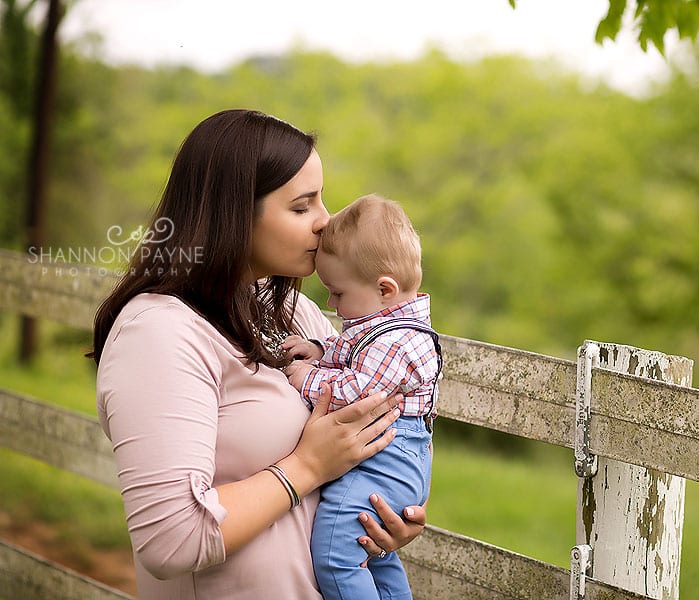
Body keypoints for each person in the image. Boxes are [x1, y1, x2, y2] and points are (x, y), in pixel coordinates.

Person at [90, 109, 428, 599]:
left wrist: (388, 513)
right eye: (301, 207)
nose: (325, 222)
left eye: (321, 200)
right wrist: (307, 467)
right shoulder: (158, 333)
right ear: (231, 213)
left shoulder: (294, 313)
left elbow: (386, 415)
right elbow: (170, 541)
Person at [281, 193, 440, 600]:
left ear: (384, 288)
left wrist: (304, 377)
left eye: (337, 293)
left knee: (337, 557)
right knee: (375, 556)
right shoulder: (381, 325)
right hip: (383, 462)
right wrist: (320, 351)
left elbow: (356, 395)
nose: (331, 305)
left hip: (385, 462)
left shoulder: (401, 341)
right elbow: (351, 353)